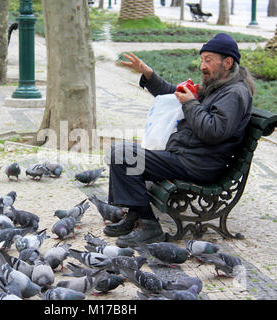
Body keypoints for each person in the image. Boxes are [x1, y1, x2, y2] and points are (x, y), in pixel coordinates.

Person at [104, 33, 256, 248]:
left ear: (227, 62)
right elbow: (175, 94)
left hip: (199, 164)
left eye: (209, 60)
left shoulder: (234, 93)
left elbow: (213, 131)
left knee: (123, 155)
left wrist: (191, 104)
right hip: (187, 156)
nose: (203, 66)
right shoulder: (219, 84)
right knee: (121, 152)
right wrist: (149, 75)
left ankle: (149, 227)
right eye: (202, 59)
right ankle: (135, 216)